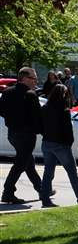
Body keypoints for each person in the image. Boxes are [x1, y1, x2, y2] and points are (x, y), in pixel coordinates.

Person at [39, 85, 78, 207]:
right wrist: (68, 143)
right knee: (72, 173)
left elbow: (40, 126)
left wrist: (46, 134)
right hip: (61, 144)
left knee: (48, 173)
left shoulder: (45, 108)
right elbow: (68, 131)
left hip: (47, 142)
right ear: (63, 95)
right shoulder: (64, 110)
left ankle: (45, 200)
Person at [0, 67, 45, 204]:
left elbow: (1, 111)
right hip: (26, 135)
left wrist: (12, 119)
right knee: (21, 163)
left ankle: (42, 189)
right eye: (33, 78)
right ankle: (7, 192)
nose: (36, 81)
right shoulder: (30, 94)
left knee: (28, 162)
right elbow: (38, 117)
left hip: (12, 133)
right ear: (24, 78)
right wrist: (42, 131)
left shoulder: (7, 92)